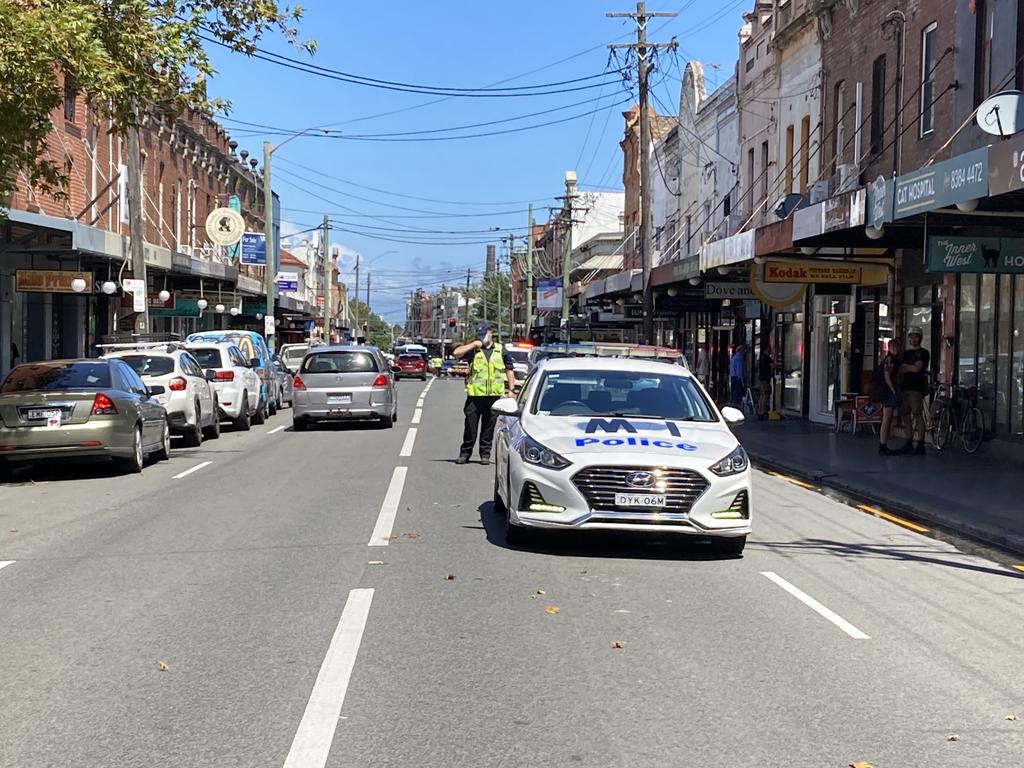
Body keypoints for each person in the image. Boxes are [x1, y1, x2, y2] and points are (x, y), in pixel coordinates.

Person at [452, 321, 516, 465]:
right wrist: (473, 344)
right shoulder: (474, 350)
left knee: (489, 426)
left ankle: (485, 454)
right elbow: (456, 353)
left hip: (493, 396)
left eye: (484, 334)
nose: (482, 337)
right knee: (470, 425)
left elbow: (509, 370)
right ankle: (465, 453)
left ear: (490, 333)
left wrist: (511, 390)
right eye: (479, 335)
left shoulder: (501, 350)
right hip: (475, 396)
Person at [899, 327, 930, 455]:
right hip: (904, 387)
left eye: (916, 336)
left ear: (920, 338)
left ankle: (921, 443)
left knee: (918, 415)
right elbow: (901, 368)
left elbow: (918, 368)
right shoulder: (906, 353)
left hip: (916, 388)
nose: (913, 339)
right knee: (905, 415)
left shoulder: (924, 353)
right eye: (911, 336)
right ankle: (908, 442)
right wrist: (909, 367)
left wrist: (908, 367)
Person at [873, 340, 902, 456]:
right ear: (889, 348)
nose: (895, 349)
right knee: (887, 419)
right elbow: (887, 377)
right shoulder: (890, 360)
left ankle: (883, 444)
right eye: (893, 347)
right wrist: (894, 391)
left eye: (897, 347)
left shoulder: (894, 360)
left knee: (888, 419)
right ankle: (883, 445)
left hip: (889, 392)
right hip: (889, 393)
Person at [756, 348, 774, 420]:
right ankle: (762, 412)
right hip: (765, 379)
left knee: (762, 395)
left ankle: (759, 411)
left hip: (761, 378)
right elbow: (773, 366)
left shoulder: (761, 358)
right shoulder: (767, 358)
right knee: (765, 395)